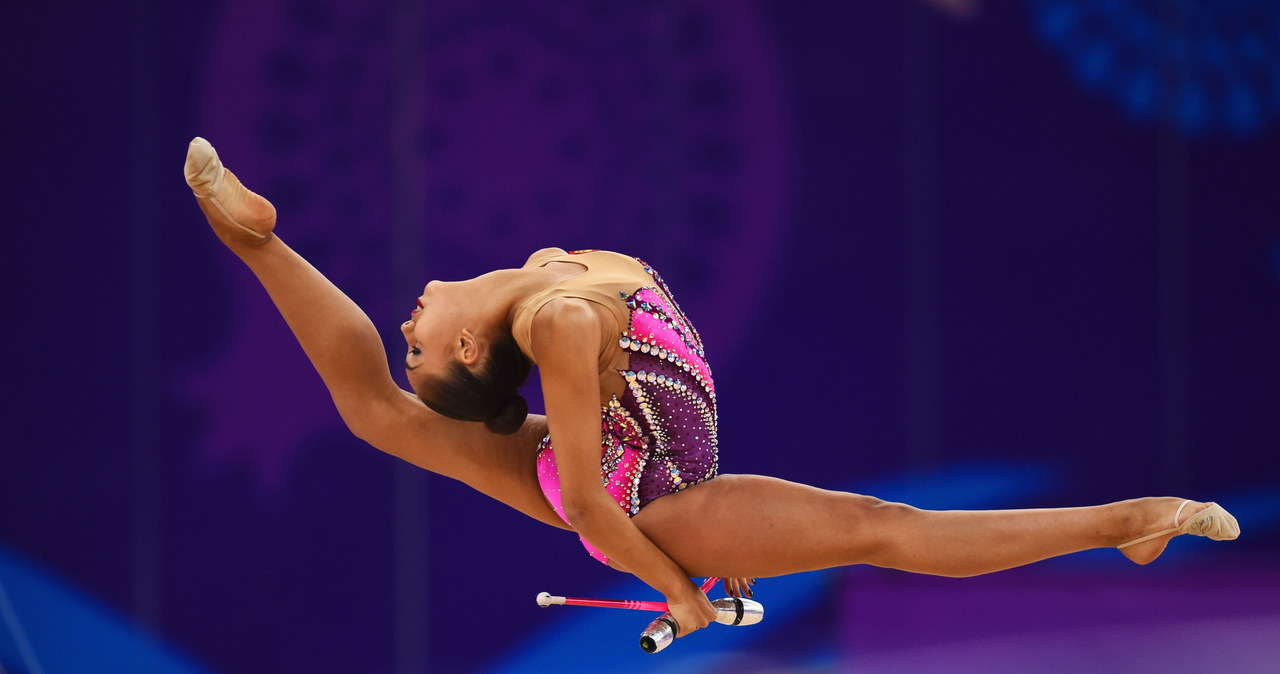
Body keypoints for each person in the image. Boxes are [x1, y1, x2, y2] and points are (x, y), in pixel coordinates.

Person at [183, 137, 1239, 638]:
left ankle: (258, 240)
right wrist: (681, 589)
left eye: (407, 339)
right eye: (419, 344)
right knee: (883, 527)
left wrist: (690, 589)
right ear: (471, 355)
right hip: (647, 503)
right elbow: (592, 504)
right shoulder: (552, 310)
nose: (408, 324)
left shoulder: (550, 273)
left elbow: (578, 471)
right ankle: (1129, 519)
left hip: (634, 473)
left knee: (378, 415)